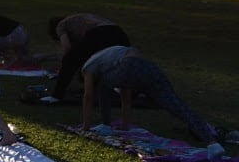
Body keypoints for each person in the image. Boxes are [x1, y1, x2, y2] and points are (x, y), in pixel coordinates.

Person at [80, 46, 222, 146]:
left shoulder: (88, 66)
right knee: (177, 106)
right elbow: (125, 95)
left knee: (103, 86)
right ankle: (212, 142)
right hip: (150, 69)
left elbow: (88, 96)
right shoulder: (112, 59)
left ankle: (105, 125)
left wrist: (86, 126)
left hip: (130, 65)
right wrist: (125, 124)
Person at [46, 14, 131, 102]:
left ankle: (57, 95)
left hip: (100, 33)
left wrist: (64, 63)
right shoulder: (81, 20)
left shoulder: (61, 25)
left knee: (69, 59)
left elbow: (67, 48)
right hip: (120, 34)